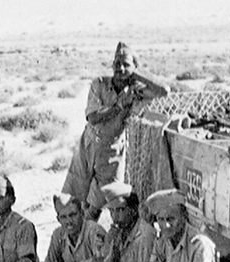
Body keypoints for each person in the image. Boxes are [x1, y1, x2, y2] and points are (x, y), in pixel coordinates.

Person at [62, 41, 170, 221]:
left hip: (111, 150)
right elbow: (93, 116)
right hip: (88, 145)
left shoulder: (136, 91)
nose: (120, 68)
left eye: (126, 64)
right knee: (74, 199)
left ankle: (90, 237)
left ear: (135, 67)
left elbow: (164, 91)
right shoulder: (100, 84)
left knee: (100, 202)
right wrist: (119, 106)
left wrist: (137, 75)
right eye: (117, 64)